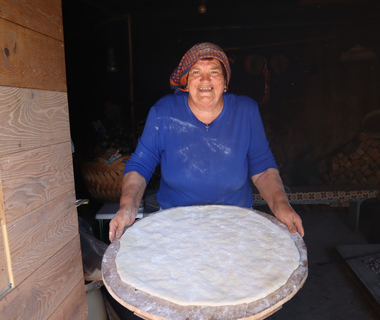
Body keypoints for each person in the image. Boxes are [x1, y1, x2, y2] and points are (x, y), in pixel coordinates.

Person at [109, 42, 304, 242]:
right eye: (196, 72)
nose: (205, 80)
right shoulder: (164, 112)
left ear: (225, 81)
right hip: (175, 225)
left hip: (236, 224)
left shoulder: (246, 111)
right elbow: (141, 165)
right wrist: (127, 207)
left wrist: (282, 206)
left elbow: (263, 169)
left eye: (214, 72)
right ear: (186, 81)